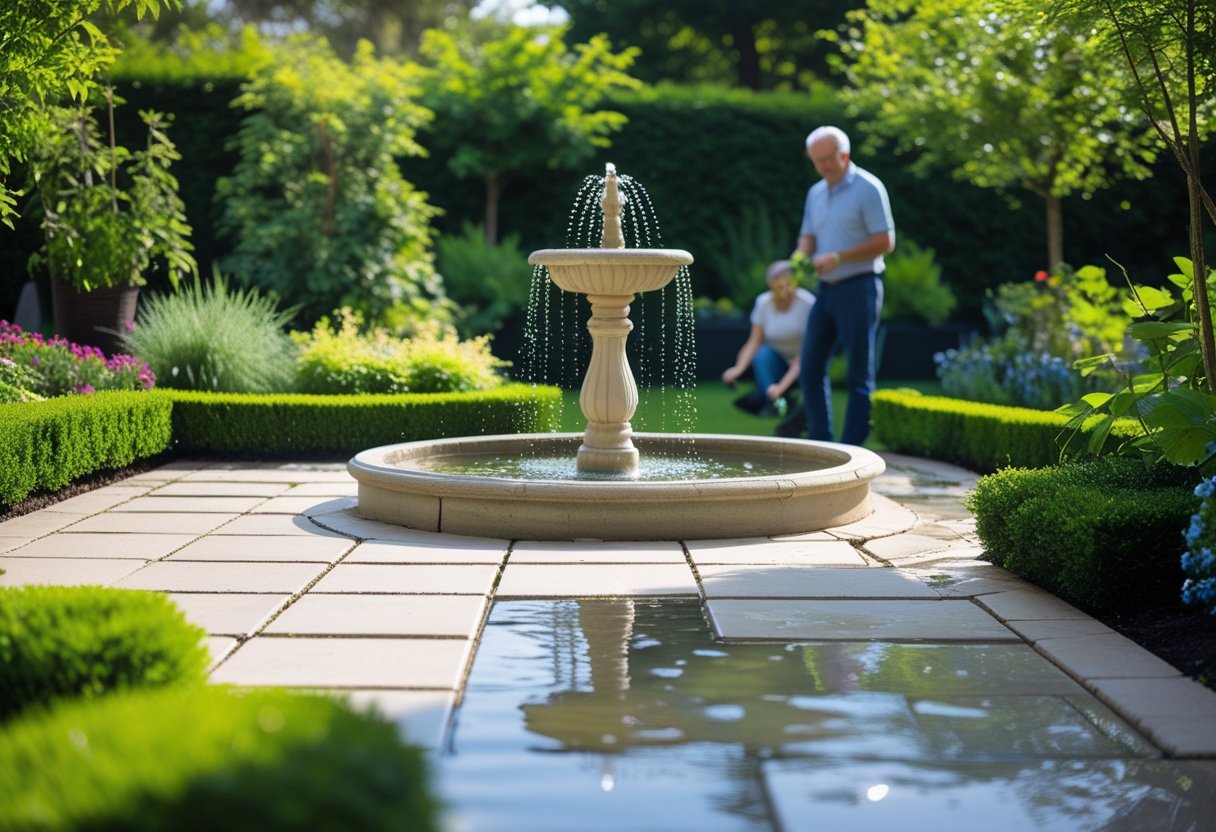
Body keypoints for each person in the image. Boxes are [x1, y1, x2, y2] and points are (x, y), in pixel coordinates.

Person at [795, 125, 895, 446]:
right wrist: (798, 258)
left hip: (860, 286)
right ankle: (821, 442)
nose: (823, 166)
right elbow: (808, 236)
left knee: (858, 374)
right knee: (809, 368)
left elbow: (886, 241)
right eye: (817, 160)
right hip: (825, 291)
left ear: (845, 154)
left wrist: (839, 257)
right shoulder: (815, 192)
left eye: (828, 159)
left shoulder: (868, 188)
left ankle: (853, 447)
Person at [721, 260, 815, 417]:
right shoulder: (763, 303)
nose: (783, 291)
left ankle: (773, 399)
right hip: (776, 364)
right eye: (778, 286)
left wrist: (781, 387)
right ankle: (773, 401)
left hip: (803, 365)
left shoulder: (808, 304)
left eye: (787, 284)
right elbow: (754, 342)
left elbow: (803, 356)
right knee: (763, 354)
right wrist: (737, 369)